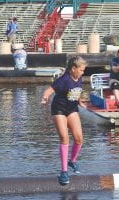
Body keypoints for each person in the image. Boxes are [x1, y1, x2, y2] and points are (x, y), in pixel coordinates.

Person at [40, 56, 87, 185]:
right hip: (59, 109)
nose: (83, 72)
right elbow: (49, 90)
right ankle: (64, 172)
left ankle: (72, 161)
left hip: (72, 109)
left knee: (79, 138)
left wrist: (80, 102)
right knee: (64, 137)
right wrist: (45, 98)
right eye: (82, 70)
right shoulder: (63, 79)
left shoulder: (79, 77)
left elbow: (75, 91)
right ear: (73, 69)